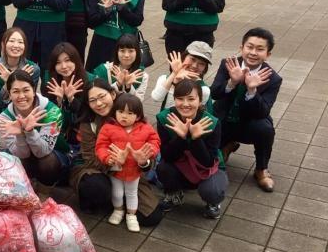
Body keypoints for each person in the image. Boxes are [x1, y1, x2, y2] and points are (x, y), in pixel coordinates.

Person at [70, 79, 163, 226]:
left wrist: (143, 162)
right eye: (92, 100)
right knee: (96, 187)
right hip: (97, 168)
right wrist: (112, 161)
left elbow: (149, 147)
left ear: (112, 94)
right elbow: (89, 157)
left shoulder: (129, 109)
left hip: (131, 171)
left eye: (102, 96)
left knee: (151, 216)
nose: (99, 103)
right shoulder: (89, 123)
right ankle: (100, 201)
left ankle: (120, 203)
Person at [210, 28, 281, 192]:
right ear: (241, 47)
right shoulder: (228, 64)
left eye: (260, 49)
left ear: (268, 54)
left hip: (249, 123)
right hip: (224, 119)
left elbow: (263, 111)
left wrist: (252, 91)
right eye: (250, 47)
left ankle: (261, 169)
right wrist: (232, 82)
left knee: (265, 129)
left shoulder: (273, 78)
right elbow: (214, 93)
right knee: (209, 154)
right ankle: (227, 145)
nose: (253, 53)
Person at [156, 79, 226, 219]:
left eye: (191, 99)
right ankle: (174, 193)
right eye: (180, 99)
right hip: (179, 164)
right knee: (163, 168)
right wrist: (181, 137)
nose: (185, 104)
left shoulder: (211, 122)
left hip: (205, 168)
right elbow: (167, 156)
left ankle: (213, 203)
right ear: (174, 99)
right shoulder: (165, 118)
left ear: (200, 101)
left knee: (212, 191)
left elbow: (208, 162)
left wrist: (196, 139)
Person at [95, 93, 161, 232]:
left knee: (132, 193)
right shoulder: (108, 128)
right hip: (116, 170)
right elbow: (101, 146)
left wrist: (147, 154)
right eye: (120, 112)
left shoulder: (145, 128)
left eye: (130, 113)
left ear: (138, 116)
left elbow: (155, 141)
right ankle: (118, 210)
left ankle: (131, 215)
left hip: (134, 170)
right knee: (117, 192)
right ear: (115, 112)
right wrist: (108, 158)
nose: (124, 116)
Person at [0, 69, 68, 186]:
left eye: (26, 90)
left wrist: (30, 131)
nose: (21, 96)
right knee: (11, 161)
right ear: (10, 94)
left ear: (33, 91)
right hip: (24, 156)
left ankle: (48, 188)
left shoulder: (52, 111)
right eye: (16, 91)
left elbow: (43, 152)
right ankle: (24, 189)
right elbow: (22, 155)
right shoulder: (5, 118)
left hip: (52, 155)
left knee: (47, 163)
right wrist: (19, 134)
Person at [0, 27, 40, 150]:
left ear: (25, 46)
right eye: (12, 41)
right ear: (3, 44)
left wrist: (14, 80)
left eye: (20, 42)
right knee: (6, 148)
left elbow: (28, 102)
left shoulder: (33, 69)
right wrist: (9, 82)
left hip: (22, 117)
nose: (16, 45)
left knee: (33, 145)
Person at [85, 0, 145, 71]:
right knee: (98, 75)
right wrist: (106, 11)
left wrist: (122, 8)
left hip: (126, 44)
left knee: (123, 76)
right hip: (101, 42)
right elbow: (91, 22)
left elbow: (137, 21)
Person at [150, 42, 213, 111]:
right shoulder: (164, 78)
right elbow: (156, 98)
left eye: (201, 63)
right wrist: (174, 74)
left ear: (205, 68)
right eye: (192, 59)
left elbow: (187, 111)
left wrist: (176, 84)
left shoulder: (203, 89)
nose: (194, 66)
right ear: (183, 57)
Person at [91, 33, 149, 99]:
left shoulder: (142, 75)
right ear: (117, 52)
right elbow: (98, 97)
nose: (126, 55)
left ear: (137, 53)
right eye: (122, 51)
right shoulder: (104, 70)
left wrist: (129, 87)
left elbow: (139, 101)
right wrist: (118, 84)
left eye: (131, 51)